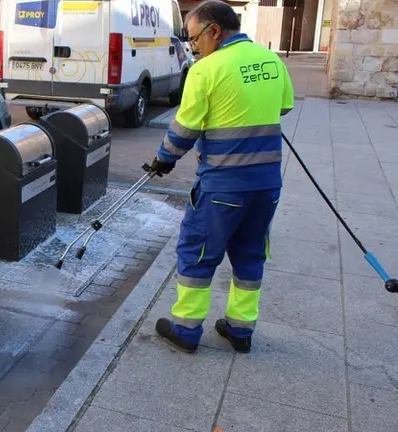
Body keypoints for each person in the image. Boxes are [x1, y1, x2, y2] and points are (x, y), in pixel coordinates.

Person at [145, 0, 295, 354]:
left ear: (214, 31)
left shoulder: (206, 70)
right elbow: (283, 106)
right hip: (267, 185)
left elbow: (185, 128)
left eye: (195, 39)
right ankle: (240, 330)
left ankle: (186, 329)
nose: (194, 47)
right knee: (250, 253)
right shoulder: (273, 61)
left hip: (223, 186)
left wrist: (163, 160)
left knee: (197, 253)